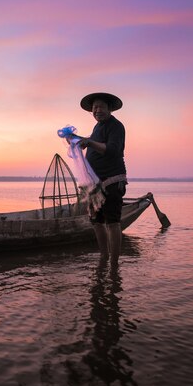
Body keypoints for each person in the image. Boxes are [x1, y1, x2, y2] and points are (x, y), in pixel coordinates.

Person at [78, 92, 127, 265]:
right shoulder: (97, 128)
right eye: (94, 107)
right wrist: (78, 140)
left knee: (112, 222)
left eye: (101, 107)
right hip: (94, 185)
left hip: (112, 181)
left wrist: (89, 143)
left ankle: (114, 264)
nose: (97, 110)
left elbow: (113, 150)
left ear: (110, 109)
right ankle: (103, 257)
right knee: (96, 222)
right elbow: (92, 142)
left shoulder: (116, 126)